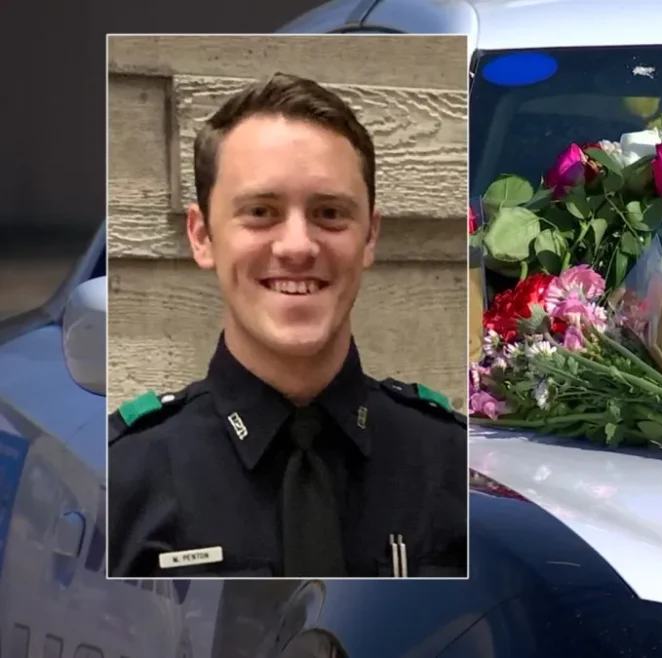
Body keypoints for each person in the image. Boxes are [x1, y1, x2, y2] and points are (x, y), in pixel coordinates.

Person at [106, 72, 467, 578]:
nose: (297, 246)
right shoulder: (121, 478)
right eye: (260, 211)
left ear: (369, 237)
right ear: (202, 236)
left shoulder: (456, 464)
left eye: (329, 213)